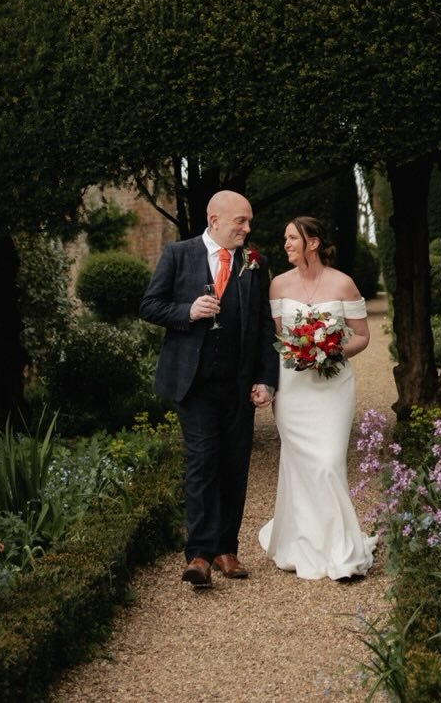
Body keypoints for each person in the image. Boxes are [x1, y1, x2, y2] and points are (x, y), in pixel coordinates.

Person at [139, 189, 278, 589]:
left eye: (248, 221)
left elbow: (264, 326)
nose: (247, 229)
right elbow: (150, 305)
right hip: (194, 382)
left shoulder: (255, 263)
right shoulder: (177, 254)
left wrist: (267, 380)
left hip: (238, 385)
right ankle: (198, 554)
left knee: (235, 463)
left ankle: (225, 550)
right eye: (241, 221)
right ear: (214, 219)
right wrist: (187, 312)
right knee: (203, 460)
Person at [258, 214, 377, 580]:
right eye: (285, 238)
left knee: (327, 462)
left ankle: (342, 550)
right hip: (293, 389)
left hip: (332, 386)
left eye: (292, 238)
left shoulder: (343, 284)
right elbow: (276, 339)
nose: (286, 244)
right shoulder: (277, 285)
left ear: (313, 242)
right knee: (300, 466)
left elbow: (361, 336)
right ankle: (303, 541)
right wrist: (284, 367)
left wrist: (330, 351)